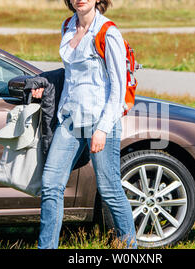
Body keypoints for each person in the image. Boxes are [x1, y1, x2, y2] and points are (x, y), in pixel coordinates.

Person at [31, 0, 137, 249]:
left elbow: (118, 89)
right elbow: (70, 75)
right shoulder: (67, 26)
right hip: (70, 119)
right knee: (50, 185)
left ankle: (129, 247)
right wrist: (43, 85)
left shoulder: (108, 32)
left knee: (109, 189)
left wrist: (102, 129)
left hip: (100, 120)